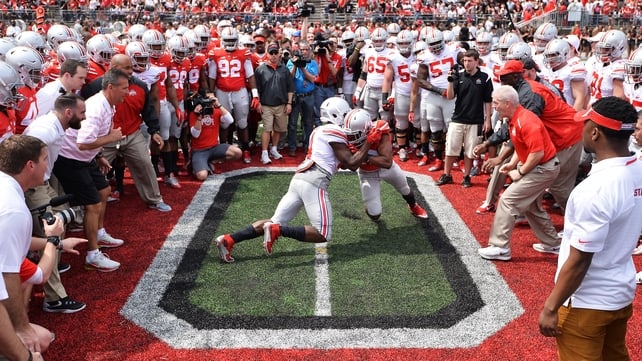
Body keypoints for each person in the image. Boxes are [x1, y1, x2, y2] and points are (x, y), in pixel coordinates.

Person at [538, 97, 642, 360]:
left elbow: (580, 260)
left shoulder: (594, 190)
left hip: (588, 302)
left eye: (586, 124)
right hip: (620, 292)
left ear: (595, 132)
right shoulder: (638, 168)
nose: (581, 128)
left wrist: (551, 306)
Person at [213, 108, 379, 263]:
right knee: (322, 233)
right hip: (314, 181)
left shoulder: (322, 131)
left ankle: (228, 239)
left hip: (300, 179)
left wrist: (359, 146)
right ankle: (279, 230)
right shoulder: (335, 132)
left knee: (275, 220)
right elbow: (351, 164)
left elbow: (344, 161)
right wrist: (369, 142)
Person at [53, 68, 129, 272]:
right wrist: (112, 138)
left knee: (104, 191)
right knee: (93, 203)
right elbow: (83, 143)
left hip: (83, 158)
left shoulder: (106, 103)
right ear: (111, 87)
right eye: (124, 88)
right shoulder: (97, 107)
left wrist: (100, 156)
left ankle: (99, 232)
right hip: (71, 159)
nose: (127, 92)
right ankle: (92, 255)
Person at [80, 54, 172, 212]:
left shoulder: (140, 85)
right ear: (114, 69)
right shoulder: (94, 87)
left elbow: (147, 109)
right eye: (127, 68)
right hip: (105, 138)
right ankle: (85, 207)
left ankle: (154, 198)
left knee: (144, 163)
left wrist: (154, 130)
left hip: (131, 133)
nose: (131, 71)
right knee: (90, 169)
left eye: (131, 67)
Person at [478, 86, 561, 261]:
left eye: (496, 103)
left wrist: (520, 171)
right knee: (531, 206)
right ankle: (552, 242)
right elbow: (521, 145)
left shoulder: (525, 120)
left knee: (508, 200)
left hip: (543, 167)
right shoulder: (516, 118)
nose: (494, 106)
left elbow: (537, 154)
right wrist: (513, 164)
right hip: (543, 166)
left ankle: (500, 247)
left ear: (508, 103)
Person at [23, 93, 88, 314]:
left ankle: (54, 262)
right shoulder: (45, 131)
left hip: (43, 181)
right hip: (34, 185)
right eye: (82, 113)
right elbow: (27, 163)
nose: (85, 117)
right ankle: (54, 298)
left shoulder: (54, 126)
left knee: (61, 219)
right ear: (68, 113)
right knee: (49, 234)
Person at [0, 135, 54, 361]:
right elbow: (7, 273)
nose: (47, 165)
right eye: (44, 159)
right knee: (37, 343)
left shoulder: (7, 190)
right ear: (29, 165)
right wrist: (21, 330)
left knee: (40, 338)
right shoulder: (13, 209)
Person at [437, 49, 493, 188]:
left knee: (470, 150)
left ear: (476, 61)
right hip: (458, 118)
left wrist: (488, 120)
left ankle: (466, 176)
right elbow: (450, 97)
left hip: (476, 120)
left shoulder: (485, 78)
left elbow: (488, 101)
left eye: (469, 61)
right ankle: (446, 174)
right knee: (451, 148)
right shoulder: (459, 76)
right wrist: (450, 82)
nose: (466, 64)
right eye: (465, 61)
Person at [254, 42, 294, 164]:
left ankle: (274, 149)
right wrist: (258, 102)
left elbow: (290, 88)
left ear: (279, 54)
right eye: (271, 53)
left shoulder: (285, 70)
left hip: (281, 104)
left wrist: (289, 103)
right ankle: (264, 153)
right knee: (267, 128)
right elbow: (256, 88)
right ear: (267, 54)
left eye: (276, 52)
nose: (273, 55)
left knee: (278, 129)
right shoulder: (260, 69)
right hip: (266, 104)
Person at [187, 93, 242, 180]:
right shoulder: (194, 113)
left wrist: (219, 105)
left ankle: (210, 162)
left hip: (214, 147)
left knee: (237, 152)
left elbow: (230, 120)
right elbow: (195, 135)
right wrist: (199, 118)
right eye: (208, 99)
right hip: (199, 150)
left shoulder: (216, 111)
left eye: (212, 99)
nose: (210, 102)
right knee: (202, 176)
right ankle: (195, 166)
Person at [286, 40, 318, 157]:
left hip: (308, 96)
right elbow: (289, 77)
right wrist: (295, 64)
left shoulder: (312, 62)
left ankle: (307, 145)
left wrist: (303, 67)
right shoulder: (290, 61)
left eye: (306, 49)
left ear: (309, 51)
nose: (304, 52)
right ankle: (292, 147)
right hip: (295, 96)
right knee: (293, 123)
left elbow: (313, 79)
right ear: (298, 50)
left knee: (308, 122)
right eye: (302, 49)